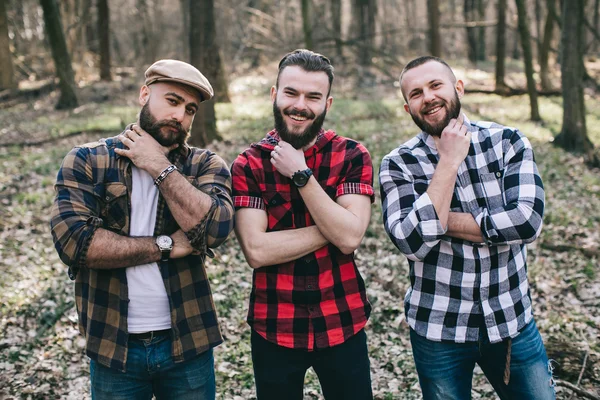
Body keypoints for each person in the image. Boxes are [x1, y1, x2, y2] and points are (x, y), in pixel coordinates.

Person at [50, 59, 234, 400]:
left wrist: (158, 165)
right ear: (144, 94)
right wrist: (165, 245)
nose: (180, 116)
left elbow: (216, 230)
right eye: (173, 101)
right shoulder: (88, 161)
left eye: (190, 109)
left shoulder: (204, 165)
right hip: (114, 343)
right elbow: (76, 243)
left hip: (188, 340)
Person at [379, 55, 555, 400]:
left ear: (457, 88)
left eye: (435, 85)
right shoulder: (398, 164)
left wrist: (438, 220)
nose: (427, 97)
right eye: (415, 93)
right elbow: (411, 242)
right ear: (407, 108)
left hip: (511, 321)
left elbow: (527, 221)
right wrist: (449, 160)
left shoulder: (507, 141)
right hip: (438, 327)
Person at [231, 49, 374, 400]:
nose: (300, 105)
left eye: (313, 96)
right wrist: (336, 226)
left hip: (343, 320)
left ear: (327, 103)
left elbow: (351, 236)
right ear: (274, 95)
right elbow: (256, 250)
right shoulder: (248, 165)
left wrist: (301, 175)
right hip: (274, 325)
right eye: (291, 93)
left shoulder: (353, 155)